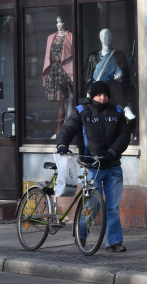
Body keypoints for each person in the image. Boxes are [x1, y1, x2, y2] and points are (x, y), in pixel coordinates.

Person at [55, 80, 130, 252]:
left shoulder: (117, 112)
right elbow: (68, 129)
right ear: (92, 96)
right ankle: (81, 234)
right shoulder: (82, 111)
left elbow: (124, 135)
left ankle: (114, 242)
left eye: (105, 95)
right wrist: (62, 144)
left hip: (113, 166)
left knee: (112, 207)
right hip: (92, 167)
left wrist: (112, 152)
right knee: (92, 205)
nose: (102, 98)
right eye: (99, 95)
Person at [86, 28, 135, 120]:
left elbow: (123, 72)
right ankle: (125, 108)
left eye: (108, 35)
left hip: (111, 86)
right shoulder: (93, 56)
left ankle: (126, 108)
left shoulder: (118, 55)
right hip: (96, 85)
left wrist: (119, 76)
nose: (106, 38)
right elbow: (87, 76)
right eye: (104, 36)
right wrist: (88, 88)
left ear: (111, 37)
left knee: (113, 84)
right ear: (100, 38)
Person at [42, 16, 73, 136]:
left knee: (68, 99)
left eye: (61, 22)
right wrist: (46, 74)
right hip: (54, 70)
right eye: (57, 22)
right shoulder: (51, 37)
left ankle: (63, 129)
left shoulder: (70, 36)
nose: (59, 24)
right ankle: (61, 129)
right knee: (62, 100)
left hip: (66, 70)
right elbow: (47, 56)